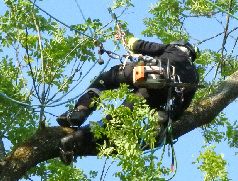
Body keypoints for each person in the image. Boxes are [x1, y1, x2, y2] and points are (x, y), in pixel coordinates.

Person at [57, 37, 199, 164]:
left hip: (145, 72)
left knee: (103, 81)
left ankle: (81, 111)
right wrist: (166, 115)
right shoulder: (194, 76)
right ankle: (72, 141)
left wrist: (128, 39)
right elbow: (182, 106)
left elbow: (141, 45)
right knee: (116, 121)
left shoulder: (171, 49)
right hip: (157, 93)